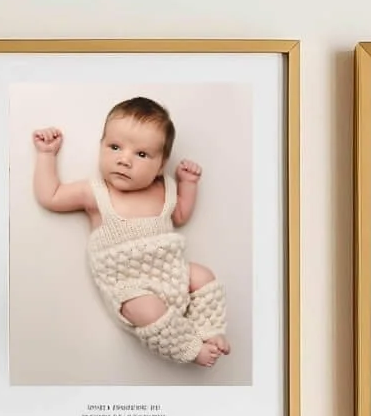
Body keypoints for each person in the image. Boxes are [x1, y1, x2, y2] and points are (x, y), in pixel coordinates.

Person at [31, 96, 230, 368]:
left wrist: (187, 183)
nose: (124, 160)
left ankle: (210, 330)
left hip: (172, 271)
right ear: (100, 147)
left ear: (160, 166)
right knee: (146, 309)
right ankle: (191, 347)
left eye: (141, 154)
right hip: (129, 286)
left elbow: (181, 215)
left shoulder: (165, 188)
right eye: (114, 147)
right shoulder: (95, 192)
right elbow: (51, 196)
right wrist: (46, 155)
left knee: (203, 275)